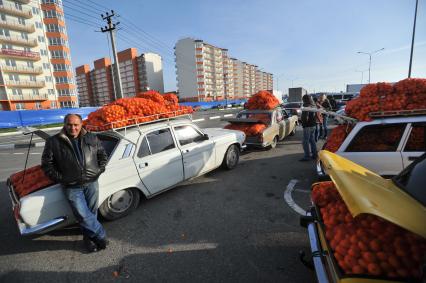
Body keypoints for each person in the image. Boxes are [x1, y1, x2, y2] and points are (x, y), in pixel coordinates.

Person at [41, 114, 108, 253]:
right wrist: (63, 179)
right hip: (72, 186)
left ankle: (89, 238)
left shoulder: (91, 137)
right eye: (69, 125)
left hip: (91, 183)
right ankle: (101, 235)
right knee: (82, 214)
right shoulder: (54, 142)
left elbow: (102, 155)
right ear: (64, 125)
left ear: (81, 124)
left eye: (76, 124)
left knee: (91, 213)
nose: (73, 128)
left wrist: (99, 170)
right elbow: (47, 165)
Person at [300, 94, 317, 161]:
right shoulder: (313, 105)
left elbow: (305, 117)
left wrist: (303, 123)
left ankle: (307, 156)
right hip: (313, 125)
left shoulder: (306, 106)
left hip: (307, 126)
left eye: (303, 99)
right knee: (312, 140)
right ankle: (314, 154)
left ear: (305, 99)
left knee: (305, 141)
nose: (302, 101)